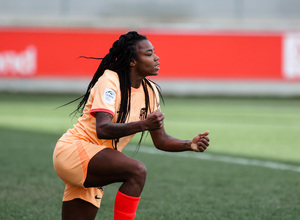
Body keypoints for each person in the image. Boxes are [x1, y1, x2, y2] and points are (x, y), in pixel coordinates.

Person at [53, 31, 210, 220]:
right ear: (132, 61)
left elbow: (161, 140)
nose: (157, 58)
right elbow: (102, 129)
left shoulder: (150, 91)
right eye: (149, 54)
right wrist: (143, 124)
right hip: (74, 152)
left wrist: (189, 144)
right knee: (137, 171)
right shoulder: (110, 80)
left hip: (95, 160)